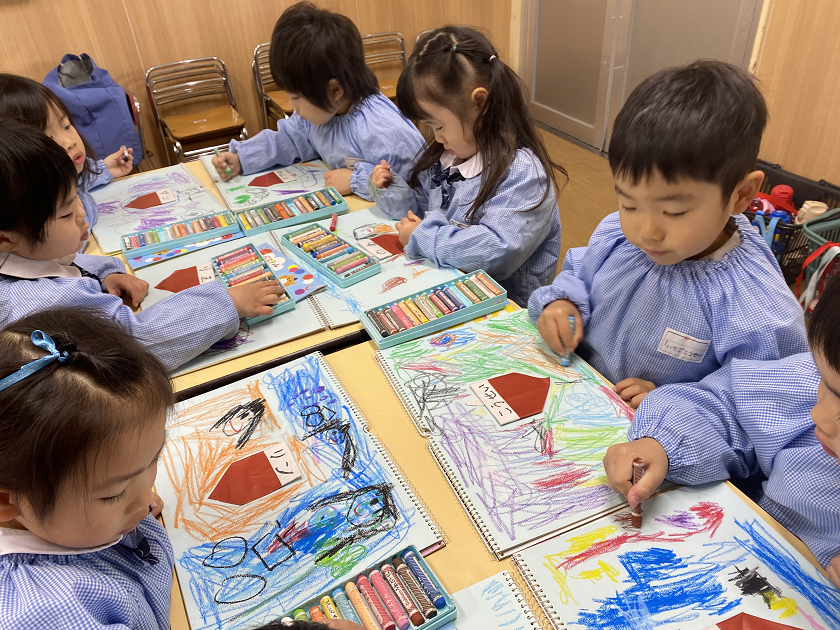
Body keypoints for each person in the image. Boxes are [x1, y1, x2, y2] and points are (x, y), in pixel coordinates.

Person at [529, 60, 807, 407]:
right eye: (629, 204)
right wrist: (562, 302)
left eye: (674, 212)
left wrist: (674, 402)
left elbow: (762, 399)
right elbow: (580, 277)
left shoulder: (754, 304)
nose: (647, 232)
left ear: (742, 195)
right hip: (577, 398)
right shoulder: (618, 237)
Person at [603, 273, 840, 585]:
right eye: (826, 383)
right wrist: (664, 442)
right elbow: (729, 407)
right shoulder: (805, 381)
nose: (819, 415)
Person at [0, 121, 284, 371]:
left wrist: (105, 274)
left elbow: (60, 263)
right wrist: (228, 303)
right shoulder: (44, 301)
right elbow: (136, 344)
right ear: (6, 238)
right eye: (65, 213)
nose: (81, 212)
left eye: (77, 197)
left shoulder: (17, 254)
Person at [0, 309, 174, 628]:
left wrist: (126, 492)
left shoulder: (67, 515)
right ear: (5, 500)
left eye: (153, 459)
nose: (145, 498)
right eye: (113, 493)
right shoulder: (47, 613)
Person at [369, 26, 565, 307]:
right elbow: (425, 213)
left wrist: (424, 237)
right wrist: (393, 191)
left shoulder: (522, 172)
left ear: (480, 103)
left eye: (439, 125)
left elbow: (497, 251)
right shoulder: (451, 155)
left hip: (502, 312)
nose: (436, 137)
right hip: (450, 293)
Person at [212, 2, 424, 201]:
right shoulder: (319, 114)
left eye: (296, 97)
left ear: (335, 90)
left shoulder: (382, 129)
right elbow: (288, 139)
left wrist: (357, 181)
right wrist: (241, 158)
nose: (291, 106)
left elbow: (416, 188)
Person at [0, 73, 134, 247]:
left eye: (66, 126)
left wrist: (105, 169)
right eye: (48, 138)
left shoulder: (63, 178)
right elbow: (65, 259)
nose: (69, 142)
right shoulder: (41, 221)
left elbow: (78, 181)